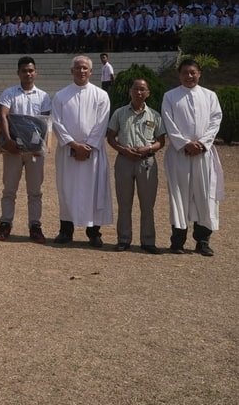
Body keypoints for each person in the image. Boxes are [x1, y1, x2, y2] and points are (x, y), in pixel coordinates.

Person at [161, 59, 224, 256]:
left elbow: (215, 120)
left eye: (193, 72)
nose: (189, 76)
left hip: (203, 155)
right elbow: (168, 122)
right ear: (179, 75)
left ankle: (203, 240)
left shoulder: (210, 96)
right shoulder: (170, 96)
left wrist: (203, 143)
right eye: (185, 73)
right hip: (180, 154)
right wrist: (185, 143)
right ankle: (178, 240)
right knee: (179, 196)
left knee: (204, 196)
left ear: (199, 74)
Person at [51, 55, 112, 246]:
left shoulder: (101, 95)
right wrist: (73, 145)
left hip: (92, 153)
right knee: (66, 189)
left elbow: (101, 123)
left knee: (93, 191)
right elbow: (57, 123)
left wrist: (88, 146)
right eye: (78, 68)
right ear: (72, 71)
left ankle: (94, 232)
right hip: (68, 153)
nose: (81, 71)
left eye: (85, 68)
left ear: (91, 71)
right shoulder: (61, 95)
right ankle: (66, 231)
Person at [0, 56, 52, 242]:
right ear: (18, 73)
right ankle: (5, 224)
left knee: (35, 191)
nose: (28, 74)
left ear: (35, 72)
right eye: (24, 70)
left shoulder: (43, 96)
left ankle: (35, 226)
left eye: (31, 70)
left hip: (34, 150)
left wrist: (40, 145)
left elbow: (45, 122)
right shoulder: (9, 93)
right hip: (13, 148)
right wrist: (9, 141)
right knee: (9, 189)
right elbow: (3, 116)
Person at [106, 78, 166, 253]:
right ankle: (123, 239)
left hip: (146, 161)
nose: (139, 92)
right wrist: (123, 150)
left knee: (147, 204)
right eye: (135, 89)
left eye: (142, 89)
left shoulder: (154, 115)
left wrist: (148, 147)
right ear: (129, 91)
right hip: (124, 161)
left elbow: (161, 141)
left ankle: (148, 240)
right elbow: (110, 136)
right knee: (124, 203)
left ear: (148, 93)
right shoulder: (119, 113)